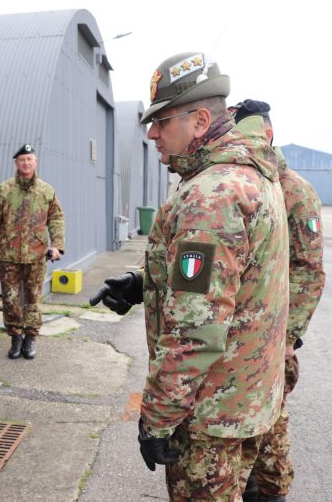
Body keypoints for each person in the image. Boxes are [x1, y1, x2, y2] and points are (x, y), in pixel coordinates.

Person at [89, 52, 289, 501]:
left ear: (200, 121)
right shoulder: (252, 175)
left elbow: (195, 330)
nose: (152, 134)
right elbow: (235, 278)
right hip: (245, 401)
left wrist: (157, 418)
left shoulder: (211, 196)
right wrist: (145, 283)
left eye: (162, 122)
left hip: (209, 415)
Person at [231, 99, 326, 502]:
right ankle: (251, 486)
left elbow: (309, 268)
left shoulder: (294, 191)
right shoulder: (242, 184)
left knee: (271, 423)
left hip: (274, 331)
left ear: (267, 134)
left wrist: (289, 335)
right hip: (240, 332)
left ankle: (269, 491)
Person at [0, 143, 65, 360]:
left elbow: (56, 219)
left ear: (35, 162)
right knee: (10, 299)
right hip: (8, 255)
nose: (26, 163)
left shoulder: (46, 191)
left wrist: (56, 245)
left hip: (36, 255)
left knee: (33, 299)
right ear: (16, 163)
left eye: (29, 159)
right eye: (22, 160)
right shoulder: (4, 190)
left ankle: (30, 339)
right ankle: (15, 338)